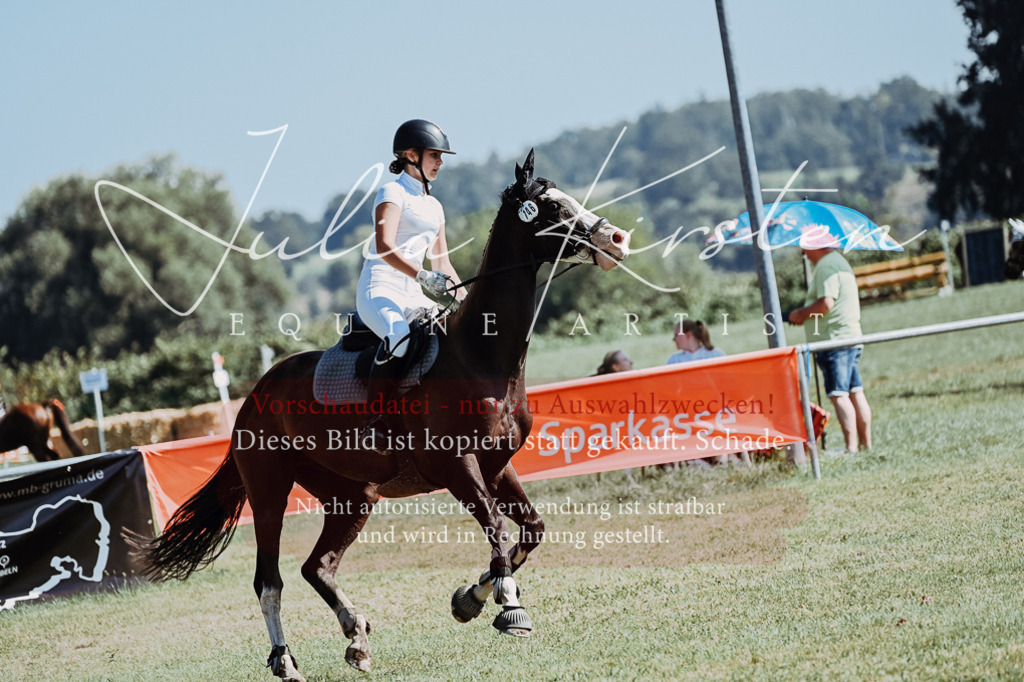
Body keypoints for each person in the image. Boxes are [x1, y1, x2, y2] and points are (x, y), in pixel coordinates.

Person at [356, 119, 465, 454]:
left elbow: (442, 263)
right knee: (399, 335)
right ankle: (375, 422)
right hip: (381, 287)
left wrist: (464, 296)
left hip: (417, 290)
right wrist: (421, 276)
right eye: (435, 154)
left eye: (440, 156)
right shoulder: (392, 191)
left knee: (453, 337)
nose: (440, 162)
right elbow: (385, 245)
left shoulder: (434, 205)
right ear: (410, 155)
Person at [788, 246, 872, 453]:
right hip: (848, 336)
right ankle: (864, 446)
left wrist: (800, 313)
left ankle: (851, 449)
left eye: (804, 247)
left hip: (834, 341)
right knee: (854, 393)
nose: (803, 252)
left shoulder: (826, 265)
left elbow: (826, 303)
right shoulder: (837, 260)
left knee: (838, 395)